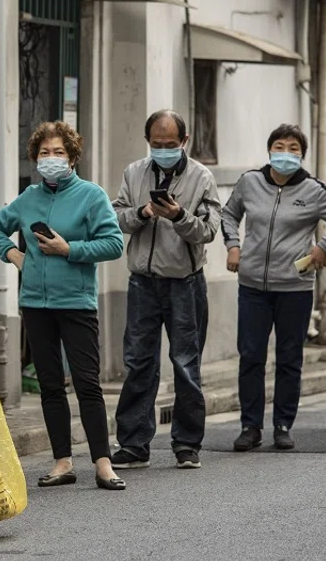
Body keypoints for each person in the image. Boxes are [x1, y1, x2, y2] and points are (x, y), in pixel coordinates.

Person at [0, 121, 126, 490]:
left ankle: (103, 463)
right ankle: (62, 461)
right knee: (49, 385)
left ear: (73, 156)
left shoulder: (91, 196)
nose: (51, 159)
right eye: (44, 153)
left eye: (59, 152)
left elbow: (113, 244)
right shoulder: (28, 198)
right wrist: (14, 255)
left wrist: (70, 249)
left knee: (87, 383)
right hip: (35, 303)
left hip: (77, 303)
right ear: (35, 158)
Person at [221, 124, 326, 452]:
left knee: (289, 357)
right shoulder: (249, 182)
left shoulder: (312, 189)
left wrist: (323, 246)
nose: (286, 153)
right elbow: (228, 214)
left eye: (293, 148)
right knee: (251, 356)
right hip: (252, 286)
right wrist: (233, 246)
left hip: (295, 287)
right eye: (279, 146)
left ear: (302, 154)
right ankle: (250, 427)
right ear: (269, 151)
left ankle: (282, 425)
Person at [110, 109, 221, 470]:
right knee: (138, 362)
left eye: (170, 144)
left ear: (184, 142)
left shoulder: (202, 177)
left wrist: (178, 216)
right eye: (156, 145)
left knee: (185, 363)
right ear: (148, 143)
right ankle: (133, 443)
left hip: (186, 283)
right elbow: (116, 218)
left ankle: (187, 444)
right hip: (142, 281)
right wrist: (143, 213)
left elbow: (208, 231)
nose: (163, 150)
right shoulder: (133, 172)